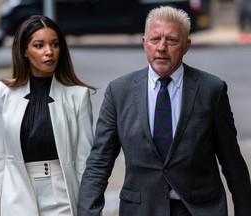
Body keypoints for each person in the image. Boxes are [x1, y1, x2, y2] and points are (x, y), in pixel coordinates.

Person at [78, 6, 251, 216]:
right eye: (155, 39)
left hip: (199, 209)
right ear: (144, 43)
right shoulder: (119, 92)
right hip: (142, 210)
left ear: (187, 45)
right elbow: (99, 163)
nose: (161, 47)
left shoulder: (211, 90)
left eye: (171, 40)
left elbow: (233, 163)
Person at [0, 15, 95, 216]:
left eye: (54, 44)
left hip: (63, 196)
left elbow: (84, 162)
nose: (49, 52)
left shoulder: (78, 95)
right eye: (39, 45)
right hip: (17, 193)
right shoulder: (3, 93)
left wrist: (89, 210)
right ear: (24, 51)